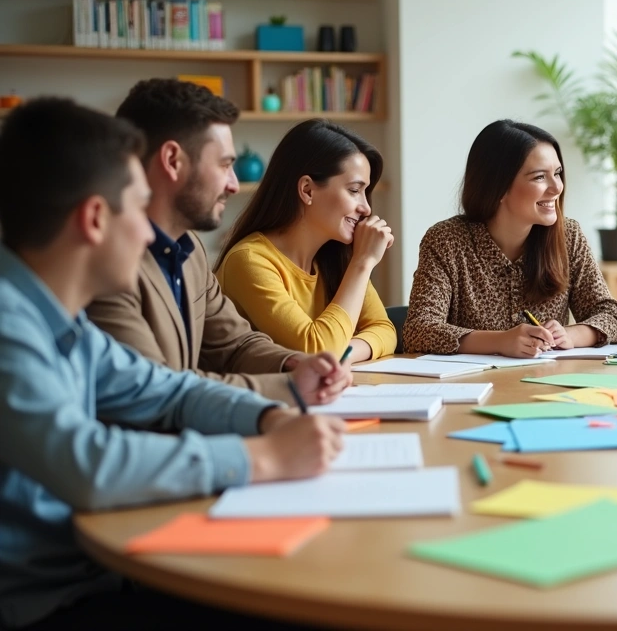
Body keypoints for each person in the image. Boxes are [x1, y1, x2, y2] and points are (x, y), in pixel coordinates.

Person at [0, 98, 345, 629]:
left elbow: (167, 389)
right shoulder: (9, 325)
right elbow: (86, 464)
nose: (149, 235)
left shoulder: (61, 322)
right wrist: (263, 457)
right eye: (138, 211)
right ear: (94, 219)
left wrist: (266, 418)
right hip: (44, 604)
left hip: (98, 570)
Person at [86, 79, 349, 406]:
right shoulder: (106, 265)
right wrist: (288, 388)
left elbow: (236, 344)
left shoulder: (189, 249)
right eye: (225, 165)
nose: (234, 185)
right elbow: (158, 390)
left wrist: (293, 363)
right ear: (172, 160)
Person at [402, 120, 617, 357]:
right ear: (498, 186)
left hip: (546, 386)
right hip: (471, 388)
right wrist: (499, 341)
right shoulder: (445, 241)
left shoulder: (568, 236)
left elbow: (613, 318)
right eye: (540, 177)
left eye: (557, 173)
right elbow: (419, 330)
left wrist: (571, 335)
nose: (556, 187)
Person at [214, 119, 397, 363]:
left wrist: (343, 354)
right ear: (308, 190)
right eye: (354, 190)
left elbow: (385, 330)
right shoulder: (249, 261)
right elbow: (317, 350)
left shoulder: (337, 255)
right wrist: (363, 263)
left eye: (366, 192)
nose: (365, 207)